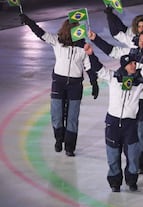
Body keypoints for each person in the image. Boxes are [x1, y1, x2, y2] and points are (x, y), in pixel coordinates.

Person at [88, 30, 143, 174]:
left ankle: (140, 164)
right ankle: (134, 165)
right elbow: (112, 51)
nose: (142, 44)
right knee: (133, 137)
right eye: (140, 41)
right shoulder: (131, 54)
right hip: (129, 106)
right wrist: (95, 39)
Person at [19, 14, 99, 157]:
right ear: (67, 30)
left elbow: (89, 66)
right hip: (59, 83)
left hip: (75, 85)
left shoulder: (83, 47)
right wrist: (29, 22)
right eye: (73, 30)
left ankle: (70, 147)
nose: (76, 32)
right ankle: (59, 138)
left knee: (72, 117)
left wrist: (94, 83)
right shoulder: (57, 41)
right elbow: (40, 33)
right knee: (57, 114)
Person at [84, 45, 143, 192]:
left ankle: (131, 180)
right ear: (124, 66)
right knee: (112, 155)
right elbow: (99, 68)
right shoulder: (113, 78)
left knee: (133, 155)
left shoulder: (140, 82)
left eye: (134, 63)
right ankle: (115, 182)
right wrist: (91, 54)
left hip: (130, 124)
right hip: (113, 122)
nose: (133, 65)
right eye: (130, 63)